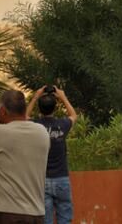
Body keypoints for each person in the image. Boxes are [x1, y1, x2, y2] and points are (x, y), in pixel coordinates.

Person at [0, 90, 50, 224]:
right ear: (24, 109)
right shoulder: (42, 132)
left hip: (9, 214)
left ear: (2, 111)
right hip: (37, 214)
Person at [26, 86, 77, 224]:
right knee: (65, 219)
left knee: (46, 220)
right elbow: (73, 116)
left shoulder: (35, 126)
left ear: (40, 109)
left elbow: (24, 117)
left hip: (43, 180)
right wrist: (63, 97)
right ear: (55, 108)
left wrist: (36, 96)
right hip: (62, 178)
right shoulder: (63, 125)